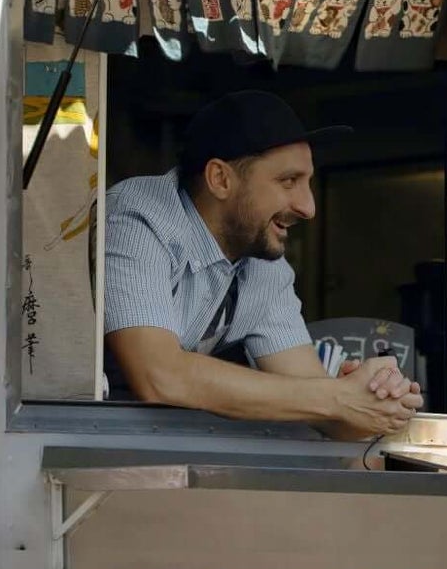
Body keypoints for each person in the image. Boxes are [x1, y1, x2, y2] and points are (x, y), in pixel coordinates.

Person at [102, 90, 422, 438]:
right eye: (288, 181)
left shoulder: (263, 265)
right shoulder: (138, 218)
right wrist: (337, 398)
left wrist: (378, 401)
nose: (308, 207)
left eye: (308, 183)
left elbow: (322, 410)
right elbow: (160, 377)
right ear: (220, 179)